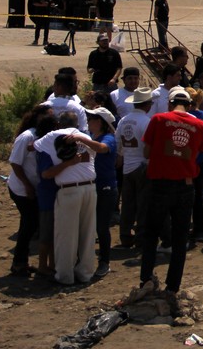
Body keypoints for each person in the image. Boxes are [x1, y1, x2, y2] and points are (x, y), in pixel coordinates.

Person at [139, 87, 203, 294]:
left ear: (169, 104)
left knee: (151, 235)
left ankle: (146, 280)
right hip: (185, 185)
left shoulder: (159, 120)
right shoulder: (199, 124)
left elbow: (147, 151)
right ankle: (173, 286)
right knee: (180, 239)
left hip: (160, 183)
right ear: (189, 105)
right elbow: (199, 151)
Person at [34, 120, 109, 286]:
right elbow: (101, 149)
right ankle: (85, 273)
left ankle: (64, 275)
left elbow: (45, 173)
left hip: (68, 190)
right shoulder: (84, 137)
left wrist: (67, 163)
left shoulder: (50, 138)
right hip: (89, 187)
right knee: (87, 233)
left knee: (66, 235)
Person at [6, 104, 53, 277]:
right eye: (48, 116)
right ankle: (19, 263)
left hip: (33, 188)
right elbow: (15, 164)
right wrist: (27, 186)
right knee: (29, 225)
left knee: (30, 224)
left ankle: (21, 262)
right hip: (21, 189)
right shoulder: (26, 137)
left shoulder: (43, 136)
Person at [117, 86, 153, 248]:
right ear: (148, 104)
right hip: (141, 165)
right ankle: (141, 237)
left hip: (128, 165)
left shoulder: (123, 121)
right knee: (143, 204)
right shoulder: (146, 122)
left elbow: (119, 143)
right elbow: (148, 147)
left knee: (128, 204)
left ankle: (125, 235)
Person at [86, 107, 118, 278]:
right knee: (92, 226)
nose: (88, 121)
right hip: (93, 186)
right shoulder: (92, 137)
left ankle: (104, 261)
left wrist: (80, 140)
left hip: (106, 188)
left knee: (101, 226)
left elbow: (102, 148)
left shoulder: (108, 138)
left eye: (90, 119)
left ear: (99, 122)